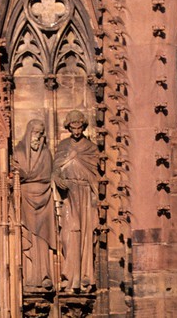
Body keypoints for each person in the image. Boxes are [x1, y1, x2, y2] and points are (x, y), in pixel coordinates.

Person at [54, 112, 98, 290]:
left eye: (80, 127)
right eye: (73, 127)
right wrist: (57, 178)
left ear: (84, 127)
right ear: (68, 127)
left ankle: (86, 275)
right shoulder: (63, 146)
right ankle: (70, 275)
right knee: (69, 234)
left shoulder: (91, 148)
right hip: (68, 195)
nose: (77, 131)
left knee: (86, 234)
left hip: (86, 194)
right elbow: (56, 169)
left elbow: (96, 173)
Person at [14, 119, 56, 289]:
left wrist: (28, 176)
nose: (37, 138)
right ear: (28, 133)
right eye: (34, 133)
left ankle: (44, 274)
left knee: (42, 237)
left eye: (40, 134)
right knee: (28, 236)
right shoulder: (18, 152)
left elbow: (48, 175)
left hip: (45, 199)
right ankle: (30, 275)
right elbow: (15, 173)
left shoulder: (46, 154)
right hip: (26, 200)